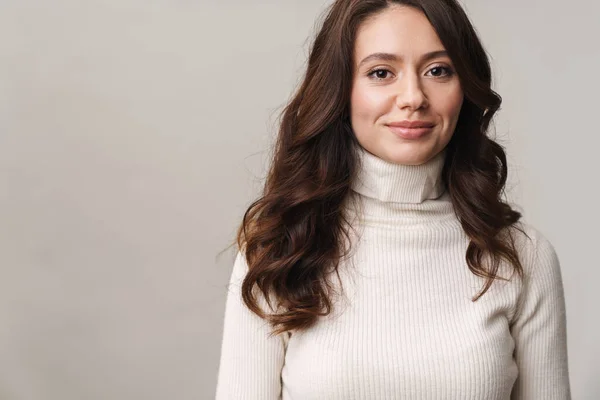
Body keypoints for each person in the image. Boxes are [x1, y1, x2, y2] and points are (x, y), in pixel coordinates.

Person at [215, 0, 571, 399]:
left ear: (464, 87)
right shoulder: (280, 245)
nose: (413, 97)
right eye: (381, 73)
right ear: (340, 89)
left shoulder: (522, 256)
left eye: (438, 70)